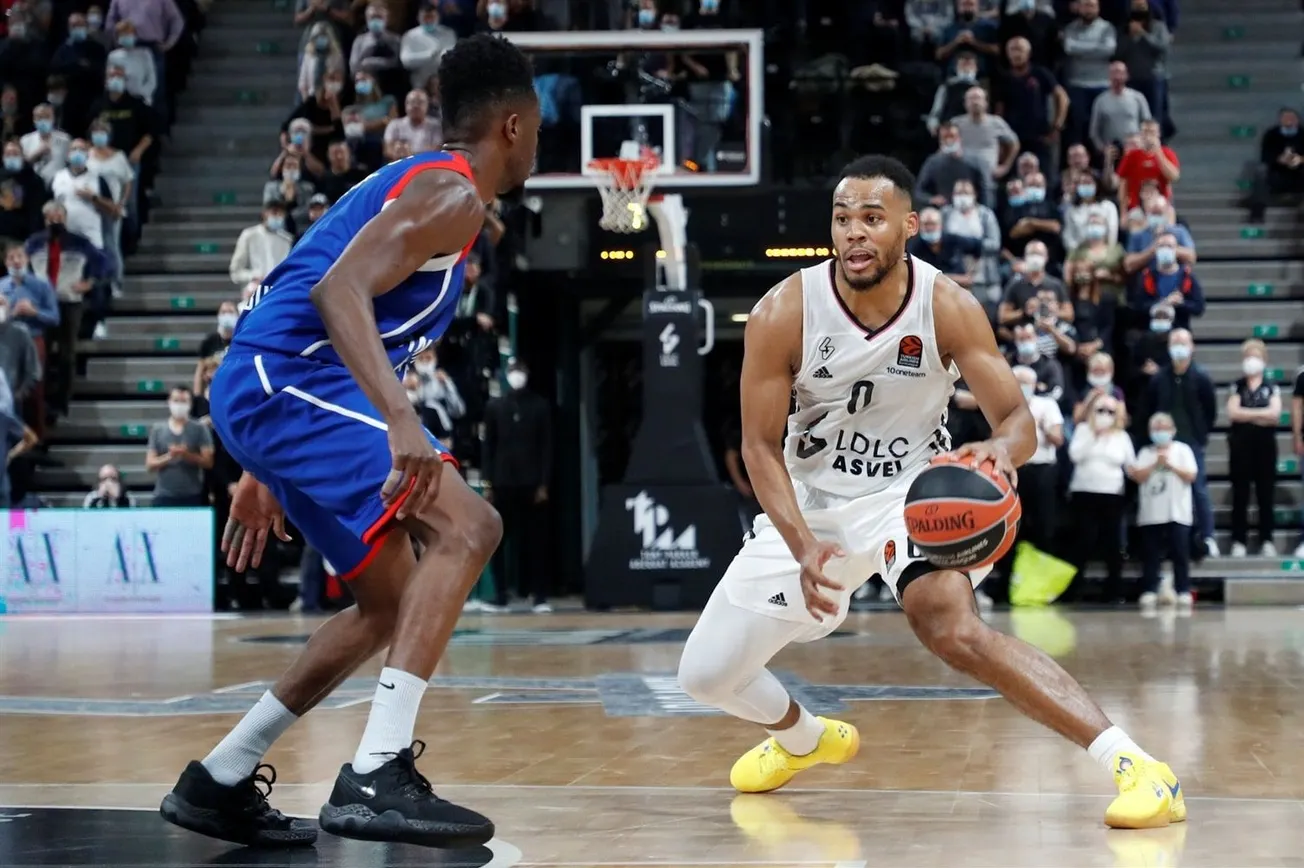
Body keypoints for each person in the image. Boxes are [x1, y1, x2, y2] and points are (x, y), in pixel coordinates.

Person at [675, 155, 1183, 831]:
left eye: (872, 219)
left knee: (948, 626)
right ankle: (806, 739)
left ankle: (1138, 768)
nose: (855, 233)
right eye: (843, 218)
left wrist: (1000, 453)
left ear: (907, 227)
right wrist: (801, 543)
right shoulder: (783, 311)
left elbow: (1019, 423)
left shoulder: (947, 306)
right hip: (809, 508)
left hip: (907, 496)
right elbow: (759, 447)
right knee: (705, 676)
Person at [158, 34, 541, 849]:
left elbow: (291, 277)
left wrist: (262, 455)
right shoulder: (454, 195)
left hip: (280, 389)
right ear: (515, 124)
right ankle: (377, 770)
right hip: (290, 381)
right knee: (471, 526)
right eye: (538, 128)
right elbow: (335, 291)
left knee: (392, 602)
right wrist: (399, 416)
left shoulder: (409, 184)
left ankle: (220, 777)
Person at [1132, 412, 1196, 611]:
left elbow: (1191, 475)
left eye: (1164, 428)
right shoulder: (1145, 452)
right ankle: (1150, 589)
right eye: (1156, 429)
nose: (1160, 432)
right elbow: (1137, 475)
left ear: (1173, 430)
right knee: (1151, 554)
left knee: (1180, 553)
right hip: (1152, 513)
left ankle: (1183, 589)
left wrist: (1170, 465)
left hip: (1178, 511)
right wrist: (1155, 464)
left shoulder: (1183, 450)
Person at [1226, 339, 1281, 558]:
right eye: (1248, 356)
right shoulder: (1237, 385)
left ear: (1264, 360)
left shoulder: (1271, 386)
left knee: (1265, 493)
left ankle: (1266, 540)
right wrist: (1260, 415)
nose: (1252, 360)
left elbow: (1274, 415)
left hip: (1265, 446)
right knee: (1241, 493)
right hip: (1240, 445)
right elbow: (1232, 413)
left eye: (1256, 356)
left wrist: (1247, 414)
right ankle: (1238, 541)